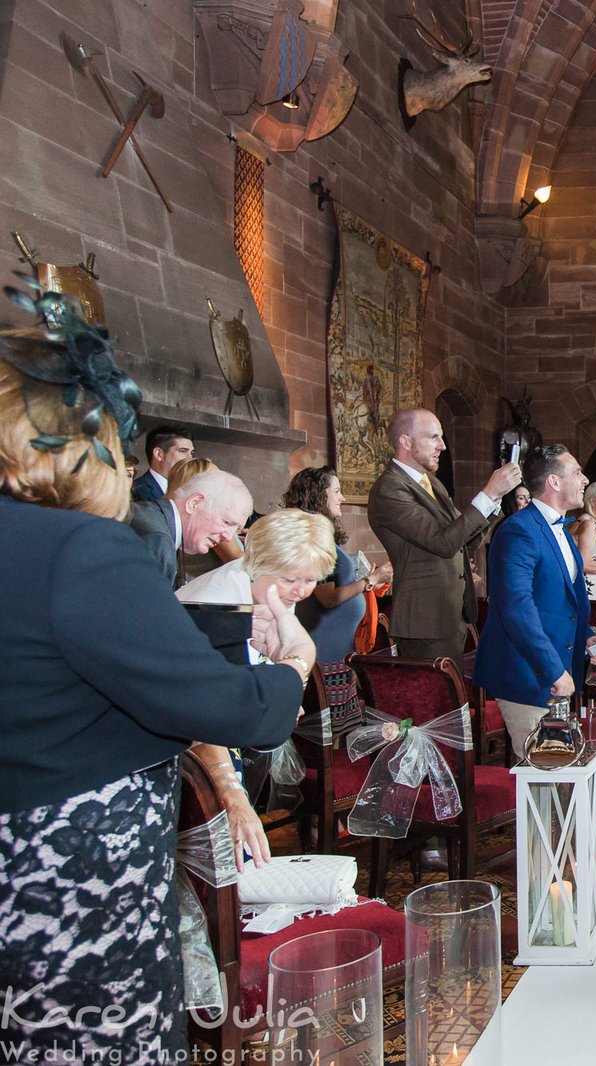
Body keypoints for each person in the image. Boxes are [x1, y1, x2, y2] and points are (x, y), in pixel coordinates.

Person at [0, 293, 309, 1061]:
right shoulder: (85, 548)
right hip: (76, 886)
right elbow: (243, 711)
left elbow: (68, 658)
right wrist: (293, 662)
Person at [177, 507, 339, 868]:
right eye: (290, 579)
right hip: (197, 753)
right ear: (260, 561)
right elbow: (206, 716)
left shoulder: (268, 588)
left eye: (311, 580)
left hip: (231, 737)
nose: (300, 591)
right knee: (228, 856)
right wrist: (232, 794)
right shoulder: (217, 605)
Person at [368, 407, 521, 661]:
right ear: (405, 441)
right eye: (433, 438)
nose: (442, 446)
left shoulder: (432, 483)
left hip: (450, 612)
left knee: (455, 697)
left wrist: (495, 501)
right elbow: (442, 543)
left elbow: (461, 541)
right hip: (425, 618)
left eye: (441, 437)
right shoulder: (390, 488)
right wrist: (489, 494)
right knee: (438, 699)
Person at [474, 445, 594, 758]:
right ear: (554, 482)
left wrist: (589, 638)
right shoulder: (518, 530)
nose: (585, 479)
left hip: (558, 675)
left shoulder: (562, 531)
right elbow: (517, 608)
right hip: (529, 675)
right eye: (577, 473)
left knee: (559, 777)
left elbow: (564, 602)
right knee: (541, 774)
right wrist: (553, 669)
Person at [282, 466, 392, 664]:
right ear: (318, 496)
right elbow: (328, 598)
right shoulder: (313, 539)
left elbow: (339, 586)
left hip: (340, 650)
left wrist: (370, 583)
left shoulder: (322, 536)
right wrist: (371, 580)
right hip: (326, 650)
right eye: (336, 491)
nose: (342, 498)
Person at [127, 466, 253, 588]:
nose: (228, 537)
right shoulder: (157, 538)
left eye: (236, 529)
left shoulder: (156, 520)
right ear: (194, 503)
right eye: (226, 522)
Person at [130, 423, 193, 503]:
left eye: (191, 453)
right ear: (159, 454)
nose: (190, 458)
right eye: (182, 451)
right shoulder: (134, 492)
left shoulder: (189, 491)